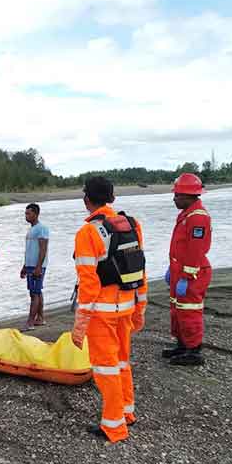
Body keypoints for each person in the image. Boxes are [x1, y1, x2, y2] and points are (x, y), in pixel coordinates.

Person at [70, 177, 147, 443]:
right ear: (112, 198)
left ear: (86, 199)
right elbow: (141, 271)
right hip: (127, 307)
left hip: (102, 313)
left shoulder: (88, 232)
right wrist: (140, 309)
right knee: (122, 362)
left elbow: (89, 284)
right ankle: (127, 412)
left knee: (106, 368)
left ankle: (113, 426)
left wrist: (80, 325)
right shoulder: (132, 225)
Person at [164, 173, 212, 366]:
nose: (174, 198)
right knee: (177, 309)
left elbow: (195, 250)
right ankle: (183, 345)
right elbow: (181, 247)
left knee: (189, 310)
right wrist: (172, 269)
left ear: (188, 195)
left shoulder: (197, 218)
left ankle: (193, 350)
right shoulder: (187, 214)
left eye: (177, 195)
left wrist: (187, 275)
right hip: (180, 271)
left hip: (192, 273)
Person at [20, 203, 49, 331]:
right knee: (37, 291)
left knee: (34, 293)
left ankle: (30, 322)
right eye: (26, 213)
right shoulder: (31, 230)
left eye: (28, 213)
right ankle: (40, 318)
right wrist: (24, 266)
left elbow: (43, 249)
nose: (26, 216)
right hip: (30, 266)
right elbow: (29, 250)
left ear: (35, 214)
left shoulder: (41, 228)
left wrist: (38, 267)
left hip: (37, 266)